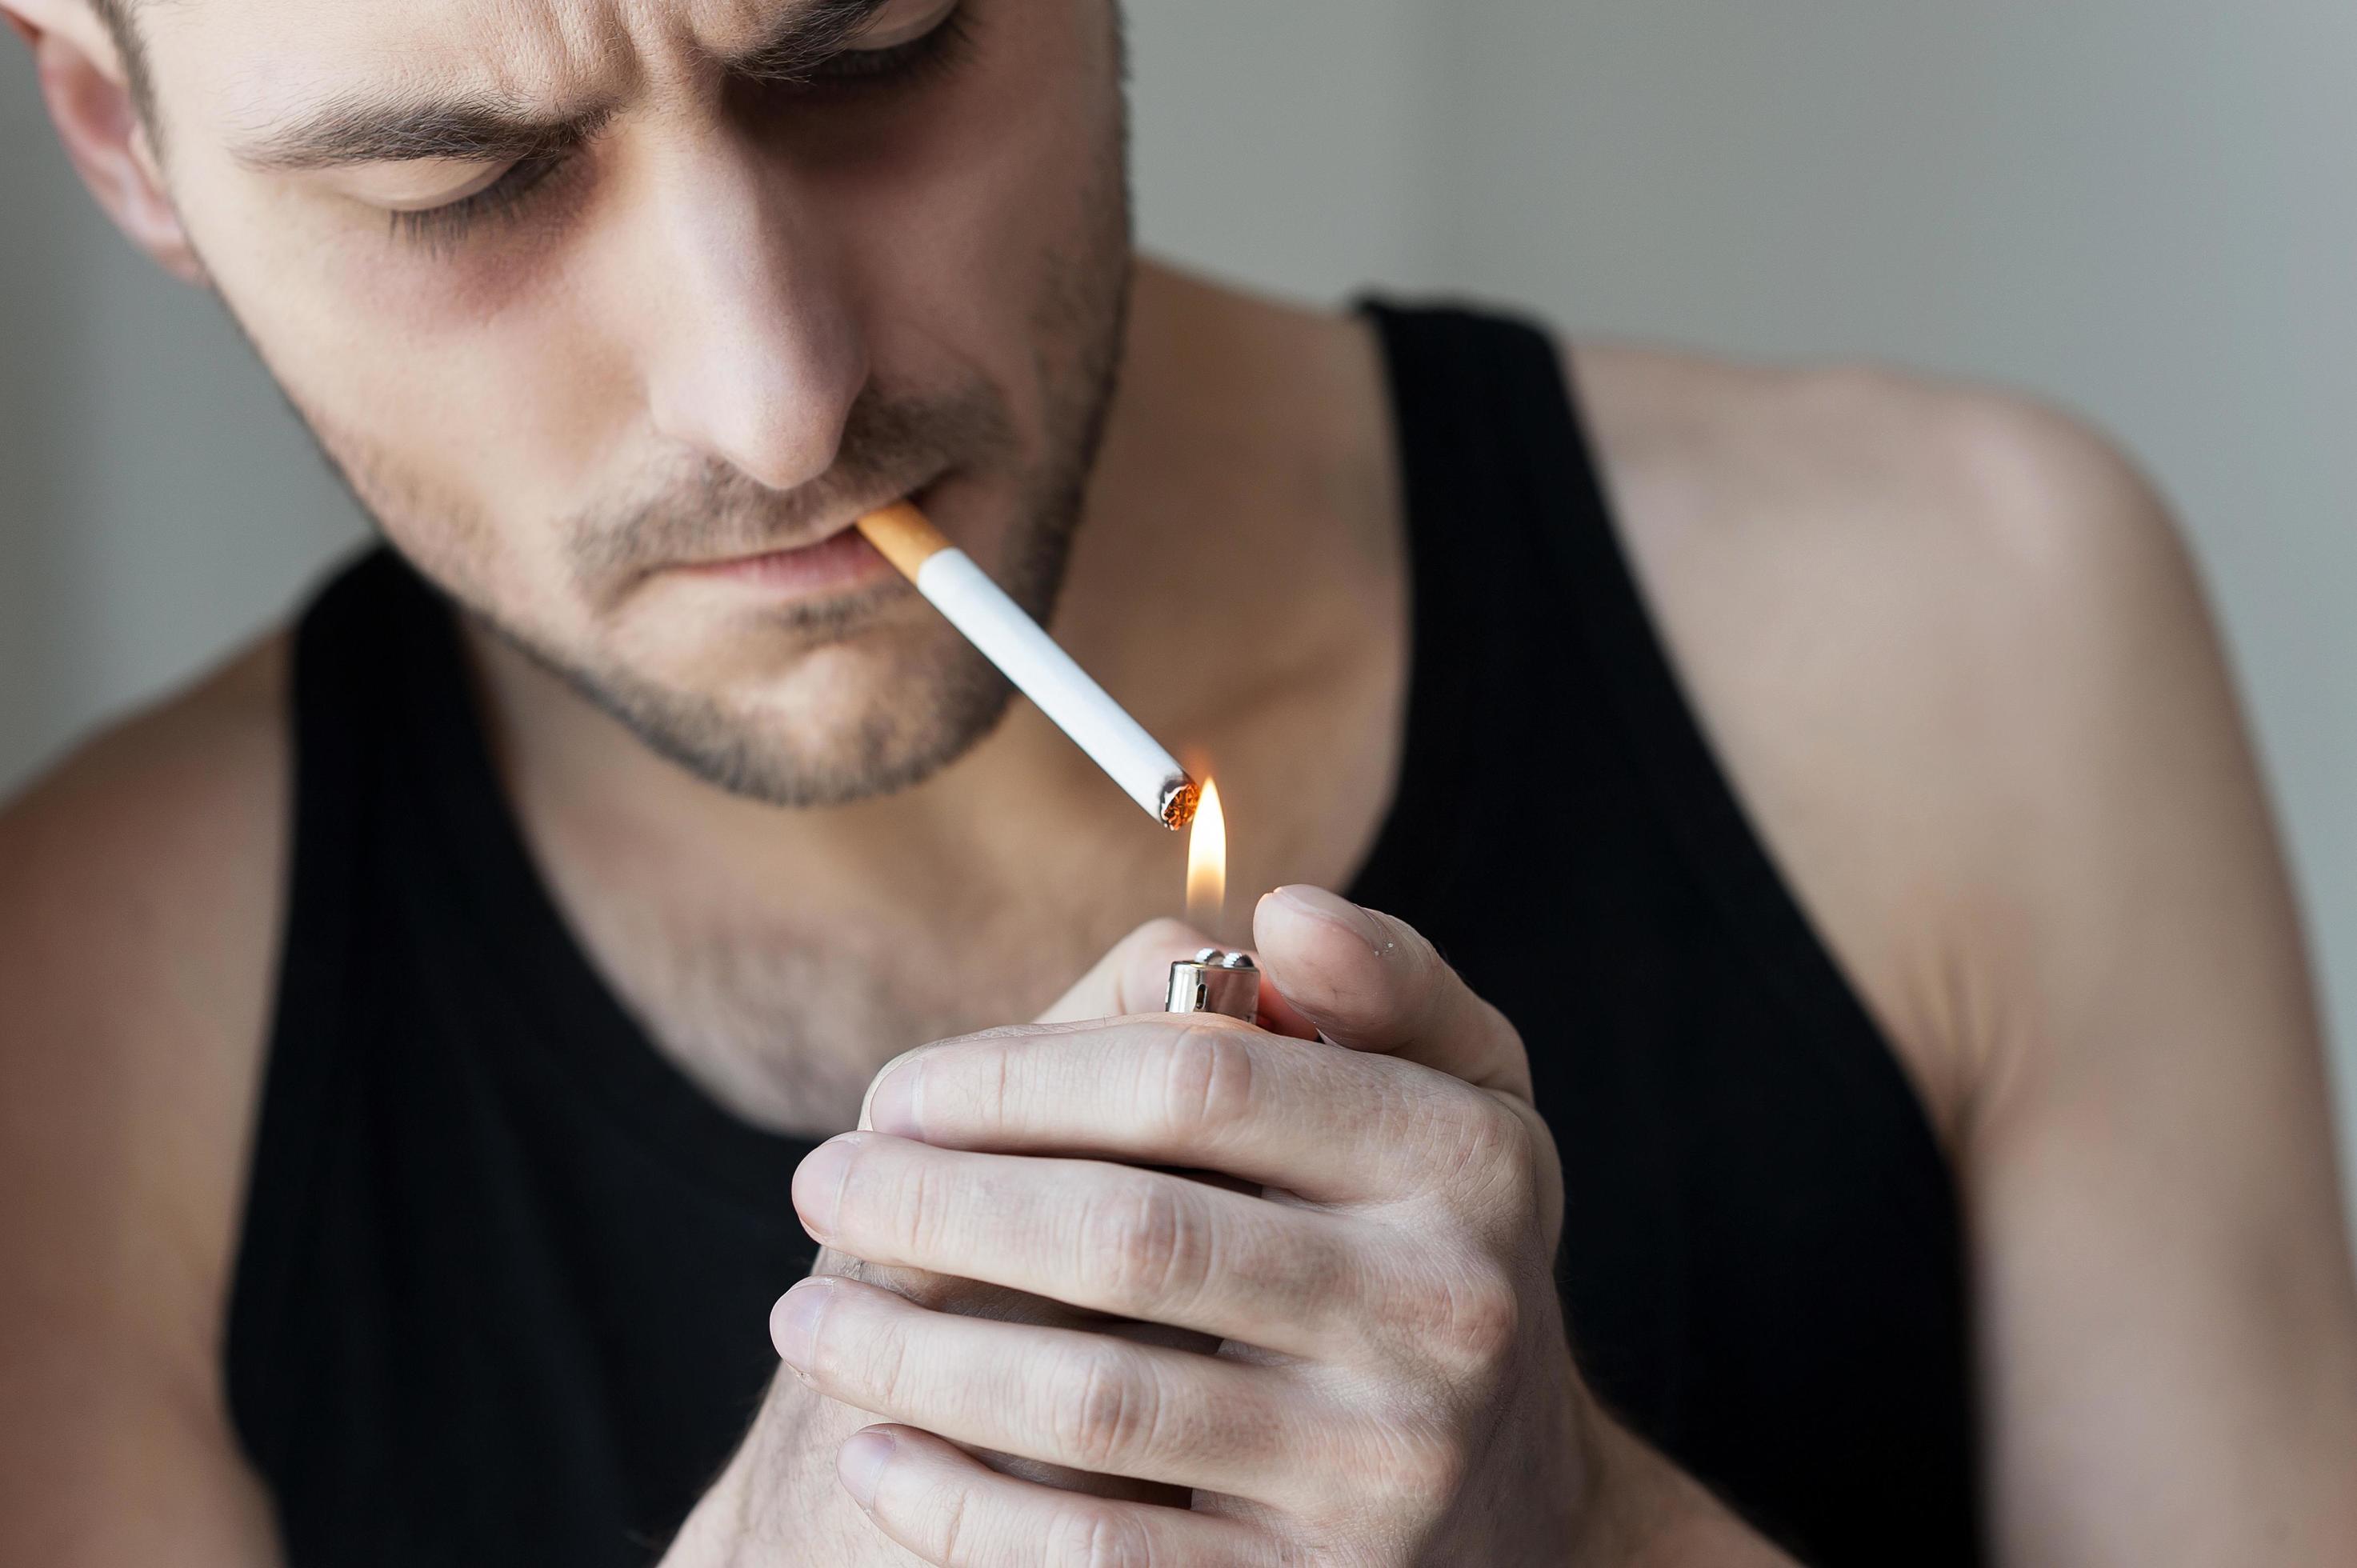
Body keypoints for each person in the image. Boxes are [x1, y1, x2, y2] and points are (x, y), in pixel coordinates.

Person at [2, 1, 2353, 1563]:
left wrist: (1588, 1534)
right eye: (462, 184)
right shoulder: (77, 1043)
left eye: (869, 47)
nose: (774, 398)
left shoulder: (1966, 625)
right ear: (123, 138)